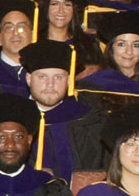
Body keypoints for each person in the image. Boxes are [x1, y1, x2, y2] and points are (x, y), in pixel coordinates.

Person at [21, 40, 107, 180]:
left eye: (58, 77)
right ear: (29, 79)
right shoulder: (13, 121)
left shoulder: (91, 122)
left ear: (68, 81)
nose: (50, 84)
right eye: (42, 77)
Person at [80, 12, 139, 110]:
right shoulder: (93, 85)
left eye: (136, 45)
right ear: (111, 48)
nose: (129, 51)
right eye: (122, 44)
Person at [35, 0, 103, 76]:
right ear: (46, 7)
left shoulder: (88, 45)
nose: (61, 10)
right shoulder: (34, 42)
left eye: (67, 5)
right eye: (54, 4)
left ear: (74, 10)